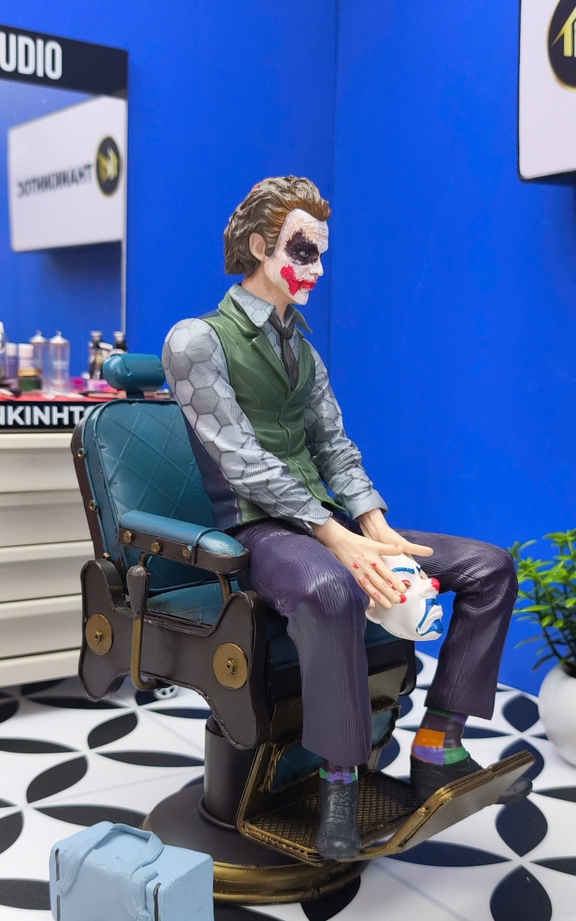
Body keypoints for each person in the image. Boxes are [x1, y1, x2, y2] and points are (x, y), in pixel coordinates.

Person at [162, 176, 530, 861]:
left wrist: (373, 523)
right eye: (303, 251)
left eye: (321, 254)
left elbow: (333, 443)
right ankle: (339, 783)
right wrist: (336, 539)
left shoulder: (302, 348)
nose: (317, 269)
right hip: (254, 528)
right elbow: (242, 462)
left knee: (489, 568)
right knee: (333, 589)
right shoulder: (195, 341)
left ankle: (437, 745)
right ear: (258, 247)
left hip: (326, 518)